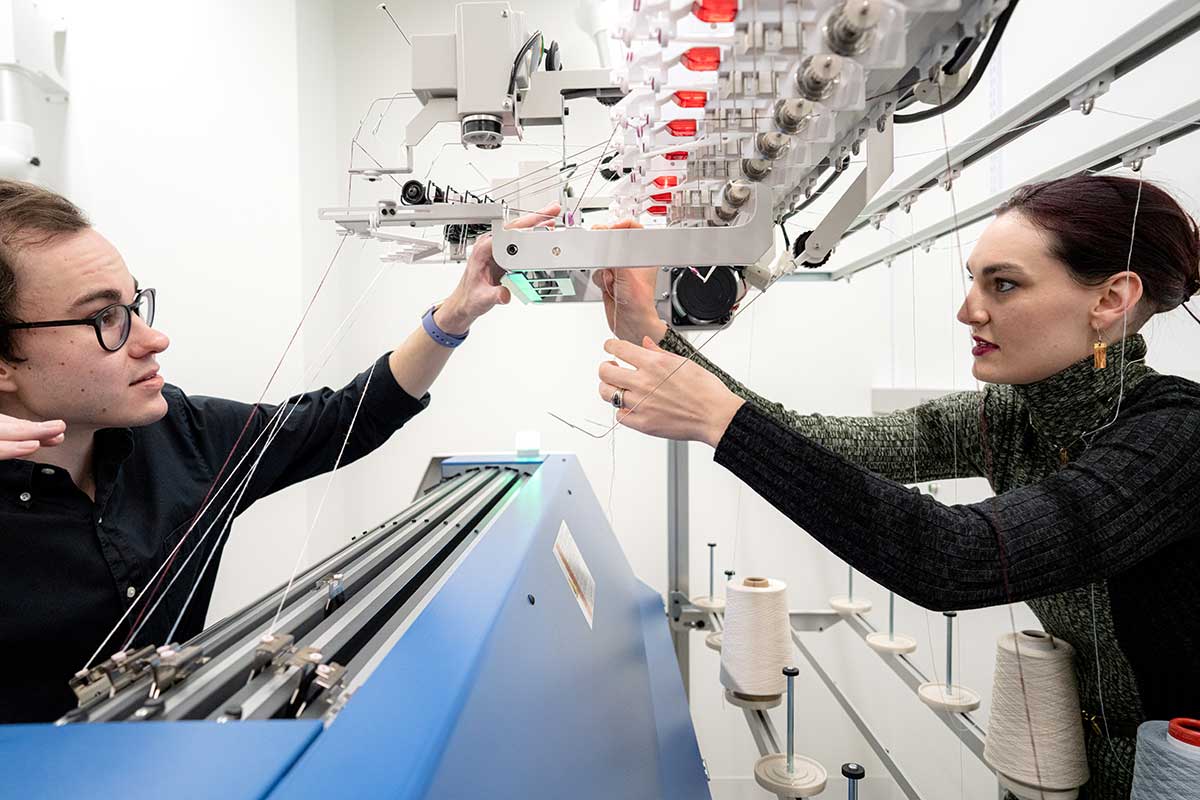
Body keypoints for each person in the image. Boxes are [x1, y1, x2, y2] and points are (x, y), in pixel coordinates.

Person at [592, 174, 1200, 799]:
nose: (969, 310)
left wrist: (723, 424)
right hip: (1078, 765)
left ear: (1112, 299)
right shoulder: (1012, 417)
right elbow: (824, 442)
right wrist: (655, 335)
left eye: (1005, 284)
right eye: (973, 279)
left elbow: (957, 557)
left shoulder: (1176, 439)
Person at [0, 179, 559, 723]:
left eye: (135, 305)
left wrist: (455, 314)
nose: (152, 339)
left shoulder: (180, 436)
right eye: (104, 318)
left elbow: (342, 420)